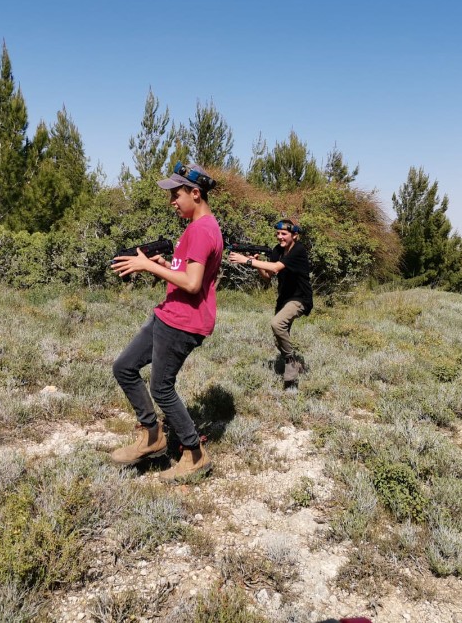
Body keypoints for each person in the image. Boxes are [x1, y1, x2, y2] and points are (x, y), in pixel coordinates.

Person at [109, 162, 222, 483]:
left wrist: (147, 266)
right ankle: (151, 435)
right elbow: (183, 271)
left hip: (185, 321)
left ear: (195, 193)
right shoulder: (196, 227)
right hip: (168, 312)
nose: (172, 201)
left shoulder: (202, 230)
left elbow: (192, 284)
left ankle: (194, 454)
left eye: (177, 195)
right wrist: (163, 262)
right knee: (124, 367)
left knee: (161, 387)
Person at [228, 219, 313, 386]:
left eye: (284, 234)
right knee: (279, 338)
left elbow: (275, 268)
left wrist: (246, 260)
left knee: (277, 323)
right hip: (284, 299)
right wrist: (256, 264)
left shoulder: (298, 250)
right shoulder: (277, 250)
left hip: (300, 298)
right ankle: (294, 368)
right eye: (278, 233)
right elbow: (268, 276)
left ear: (294, 235)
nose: (279, 237)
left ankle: (290, 365)